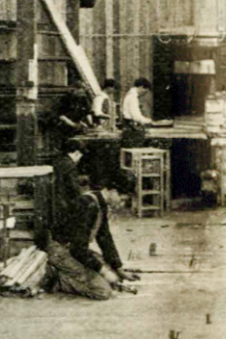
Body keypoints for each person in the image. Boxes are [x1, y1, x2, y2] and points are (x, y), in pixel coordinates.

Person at [47, 138, 140, 299]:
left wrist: (118, 268)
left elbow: (104, 237)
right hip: (60, 251)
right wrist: (104, 271)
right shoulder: (87, 204)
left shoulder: (99, 202)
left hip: (73, 249)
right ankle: (54, 278)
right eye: (122, 198)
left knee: (112, 276)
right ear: (112, 190)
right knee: (103, 291)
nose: (121, 203)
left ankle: (72, 273)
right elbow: (78, 249)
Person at [121, 77, 153, 148]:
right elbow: (136, 117)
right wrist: (149, 121)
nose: (144, 95)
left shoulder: (130, 95)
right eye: (145, 92)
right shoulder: (132, 97)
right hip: (131, 129)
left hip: (129, 126)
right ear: (141, 87)